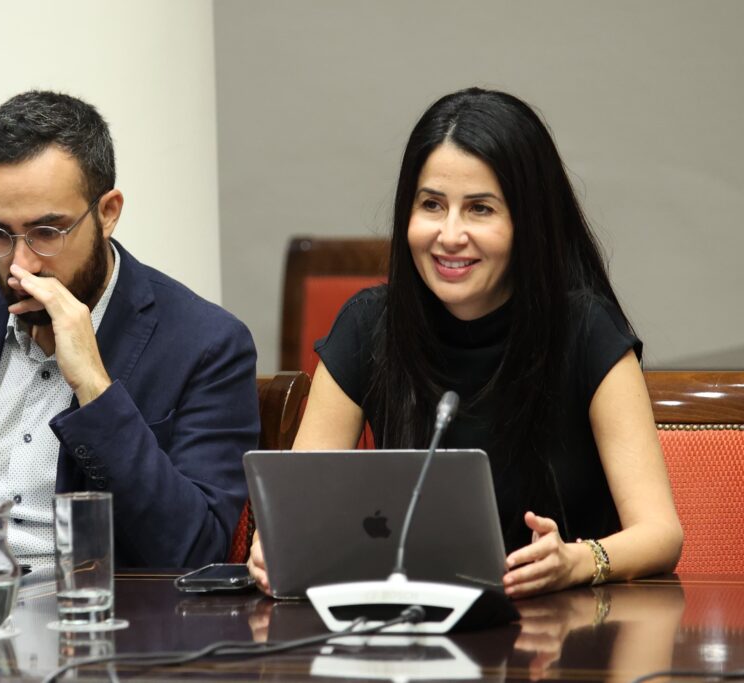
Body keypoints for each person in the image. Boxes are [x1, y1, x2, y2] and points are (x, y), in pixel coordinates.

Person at [248, 87, 682, 597]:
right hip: (413, 633)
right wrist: (278, 542)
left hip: (558, 635)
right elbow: (298, 504)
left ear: (529, 222)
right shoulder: (368, 325)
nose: (449, 235)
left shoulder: (587, 332)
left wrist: (577, 560)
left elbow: (660, 534)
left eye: (480, 209)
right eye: (432, 205)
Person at [0, 90, 259, 568]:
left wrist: (94, 386)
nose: (21, 264)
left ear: (108, 212)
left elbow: (196, 551)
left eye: (47, 233)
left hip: (103, 627)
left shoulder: (205, 345)